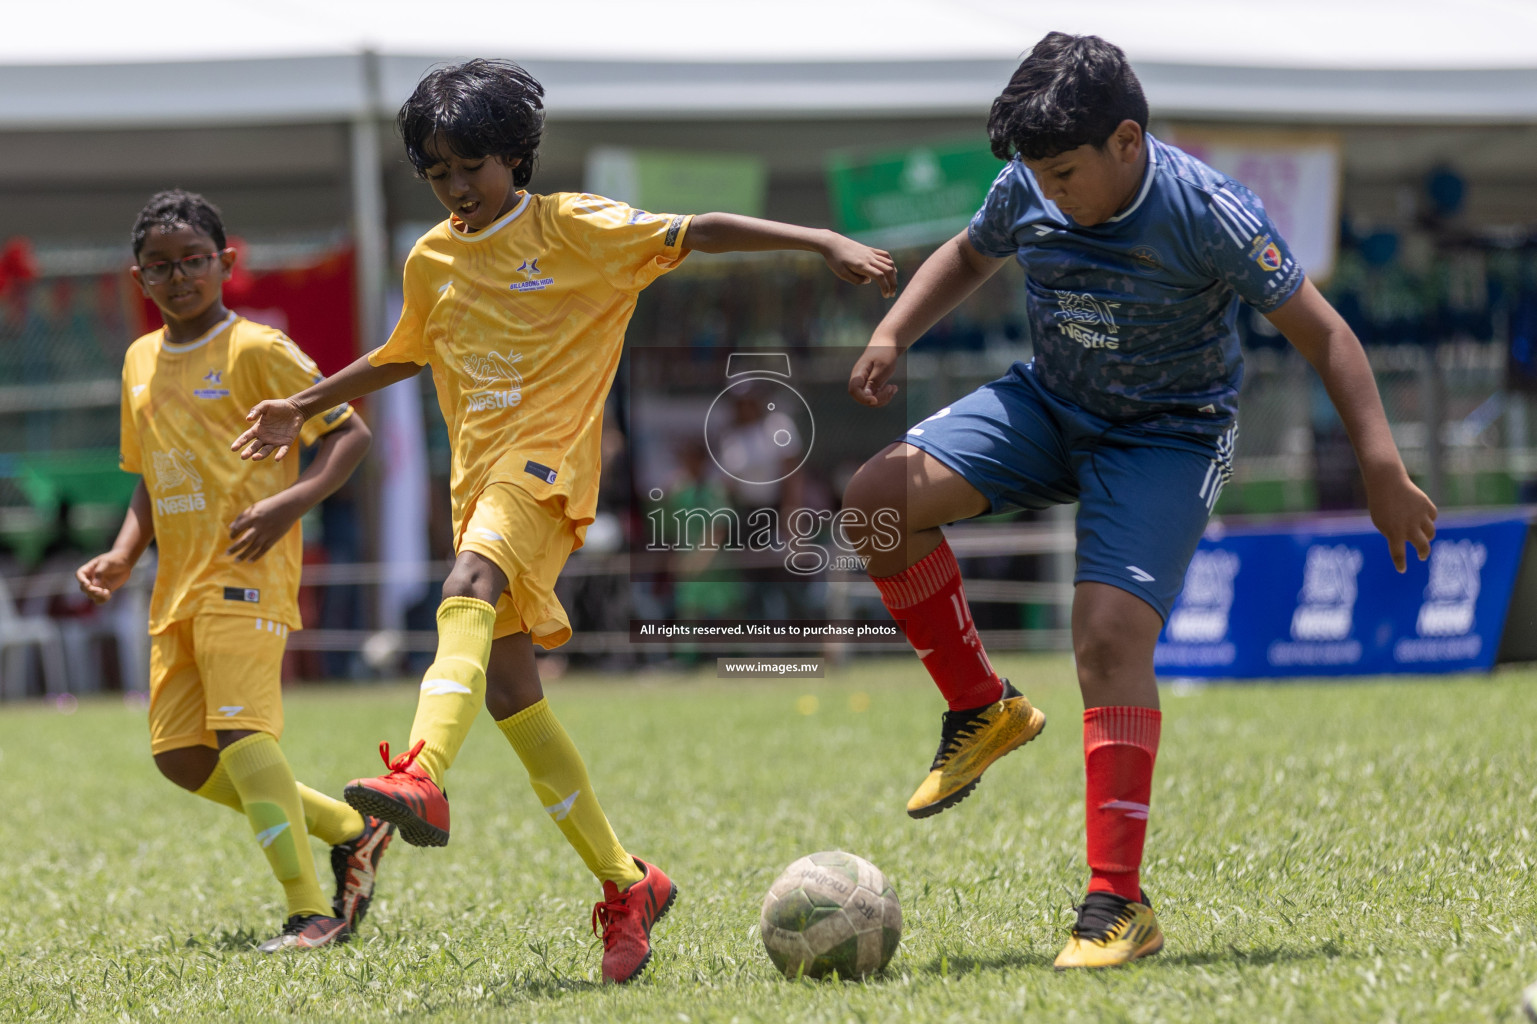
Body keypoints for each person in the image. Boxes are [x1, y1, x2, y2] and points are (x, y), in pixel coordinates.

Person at [230, 59, 897, 984]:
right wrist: (304, 405)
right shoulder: (431, 256)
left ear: (514, 155)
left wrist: (819, 238)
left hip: (545, 473)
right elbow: (398, 355)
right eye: (438, 173)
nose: (457, 188)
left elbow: (697, 231)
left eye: (472, 166)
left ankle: (419, 771)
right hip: (480, 482)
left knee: (463, 585)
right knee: (513, 698)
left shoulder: (576, 226)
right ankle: (629, 884)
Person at [840, 33, 1437, 969]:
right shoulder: (1028, 185)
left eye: (1064, 170)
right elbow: (967, 253)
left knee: (1107, 637)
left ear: (1127, 141)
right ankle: (981, 708)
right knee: (877, 502)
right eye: (1035, 172)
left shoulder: (1210, 212)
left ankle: (1118, 907)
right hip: (1050, 402)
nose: (1048, 189)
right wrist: (892, 331)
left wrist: (1379, 466)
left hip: (1168, 433)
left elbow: (1327, 335)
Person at [76, 190, 391, 953]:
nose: (179, 276)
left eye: (193, 261)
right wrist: (124, 552)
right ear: (138, 276)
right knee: (182, 758)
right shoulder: (139, 360)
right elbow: (150, 474)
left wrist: (297, 500)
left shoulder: (259, 349)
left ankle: (310, 911)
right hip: (174, 584)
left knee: (241, 734)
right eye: (161, 266)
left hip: (247, 569)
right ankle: (354, 827)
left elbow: (348, 433)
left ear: (225, 262)